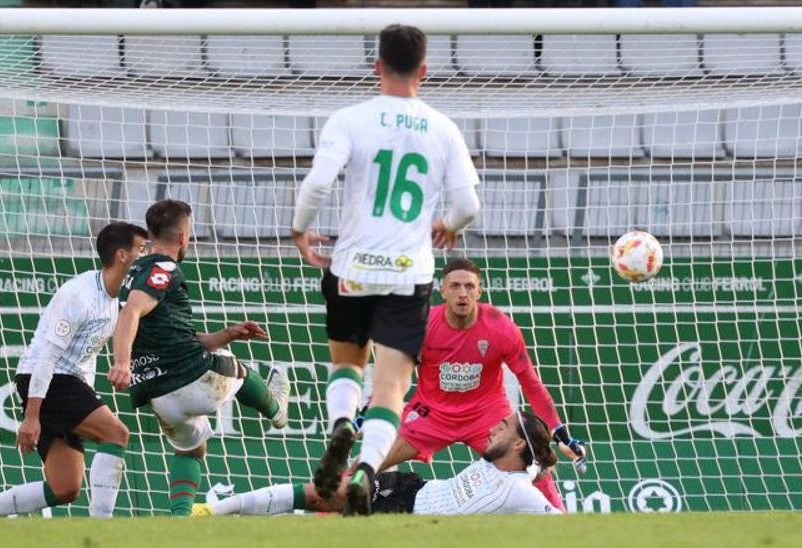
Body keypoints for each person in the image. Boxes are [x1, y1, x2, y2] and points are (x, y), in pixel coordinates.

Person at [289, 23, 481, 516]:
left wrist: (300, 230)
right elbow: (468, 204)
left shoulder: (351, 118)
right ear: (424, 70)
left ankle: (339, 427)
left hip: (351, 265)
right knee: (391, 386)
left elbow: (316, 186)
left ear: (377, 66)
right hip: (407, 272)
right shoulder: (443, 127)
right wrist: (449, 225)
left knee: (349, 365)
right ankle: (369, 470)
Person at [0, 222, 148, 518]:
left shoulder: (121, 299)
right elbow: (46, 356)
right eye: (142, 250)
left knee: (65, 487)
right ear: (121, 255)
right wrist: (31, 416)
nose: (147, 256)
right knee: (116, 434)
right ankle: (104, 528)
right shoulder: (79, 294)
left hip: (67, 383)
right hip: (48, 379)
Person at [109, 199, 290, 516]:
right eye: (189, 234)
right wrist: (121, 363)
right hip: (192, 378)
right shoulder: (163, 269)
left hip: (161, 394)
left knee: (191, 451)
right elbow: (131, 312)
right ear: (182, 237)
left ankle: (180, 518)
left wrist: (228, 332)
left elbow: (180, 337)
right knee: (237, 368)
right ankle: (276, 409)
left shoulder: (133, 271)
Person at [376, 258, 588, 510]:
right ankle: (325, 516)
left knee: (537, 470)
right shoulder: (422, 326)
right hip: (431, 413)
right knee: (369, 461)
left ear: (479, 290)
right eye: (454, 286)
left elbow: (530, 383)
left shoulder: (502, 329)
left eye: (469, 286)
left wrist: (559, 432)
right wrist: (370, 412)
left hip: (486, 415)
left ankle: (562, 523)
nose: (462, 293)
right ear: (442, 290)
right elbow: (394, 375)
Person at [194, 412, 560, 516]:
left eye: (504, 426)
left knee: (324, 500)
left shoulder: (518, 490)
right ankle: (214, 511)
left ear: (517, 443)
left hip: (411, 519)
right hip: (411, 491)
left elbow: (557, 524)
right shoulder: (497, 464)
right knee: (323, 493)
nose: (494, 428)